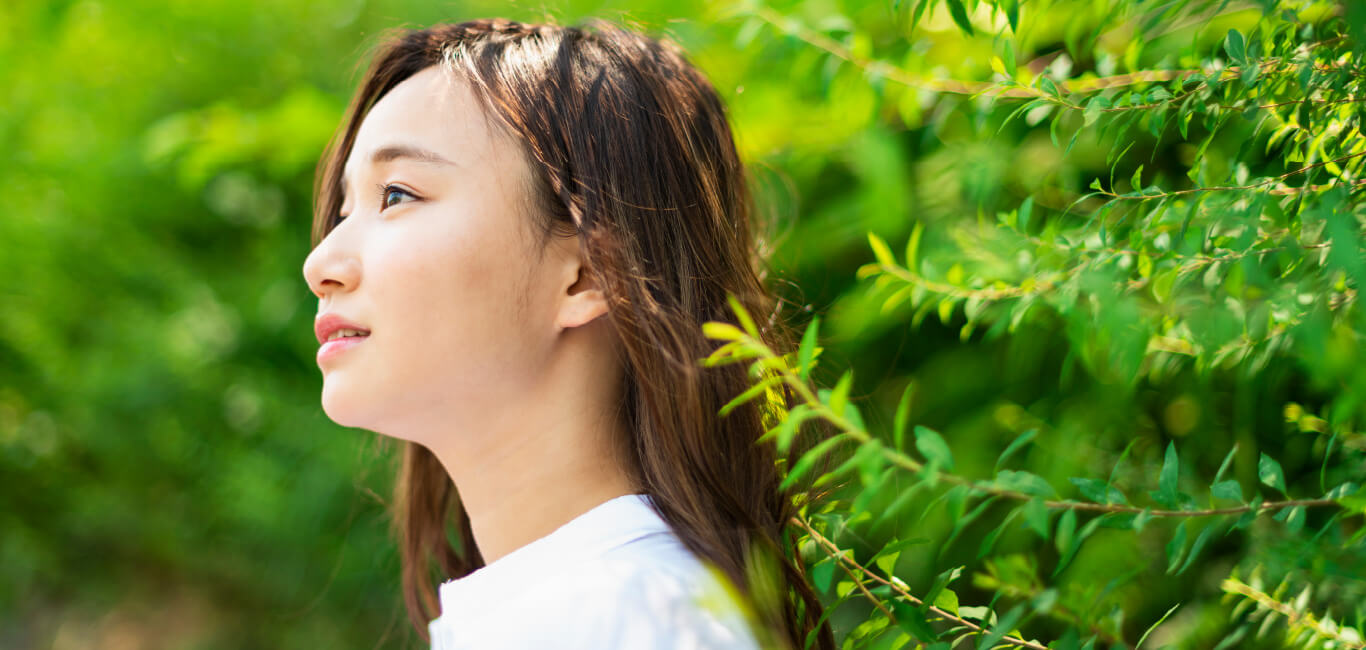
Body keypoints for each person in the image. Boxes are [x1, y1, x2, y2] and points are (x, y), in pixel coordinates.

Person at [301, 18, 835, 650]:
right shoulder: (591, 607)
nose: (321, 264)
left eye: (396, 195)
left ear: (588, 275)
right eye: (344, 211)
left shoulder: (631, 616)